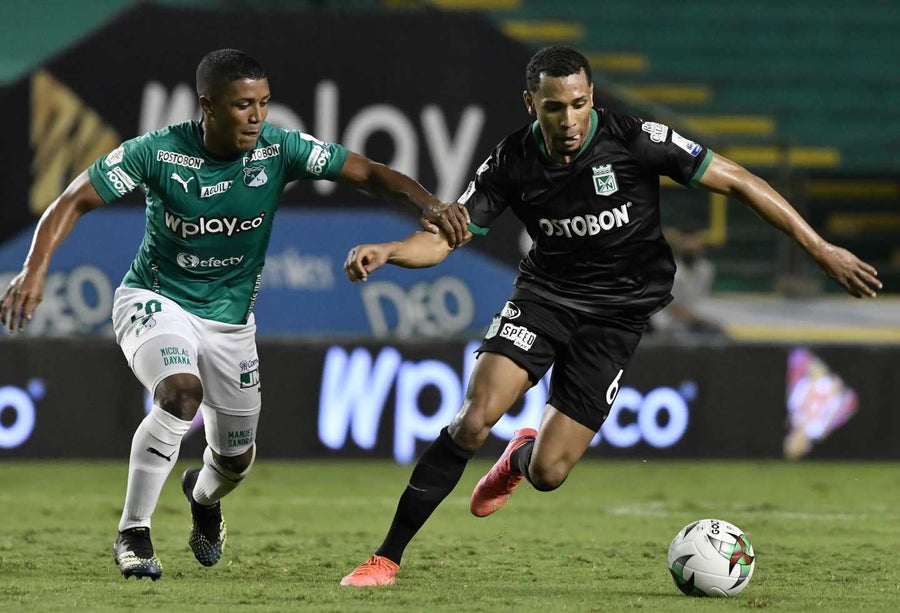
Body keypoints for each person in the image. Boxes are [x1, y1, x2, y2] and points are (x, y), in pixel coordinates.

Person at [339, 45, 882, 586]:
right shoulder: (510, 162)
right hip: (545, 298)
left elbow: (739, 180)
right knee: (474, 418)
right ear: (531, 104)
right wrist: (390, 251)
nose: (569, 120)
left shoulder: (635, 139)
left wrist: (820, 249)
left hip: (618, 317)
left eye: (578, 104)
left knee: (550, 472)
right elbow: (441, 241)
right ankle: (386, 558)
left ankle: (519, 458)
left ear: (592, 96)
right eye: (554, 107)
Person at [0, 48, 469, 581]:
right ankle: (134, 532)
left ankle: (201, 497)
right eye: (243, 105)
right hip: (156, 299)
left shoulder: (280, 149)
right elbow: (72, 200)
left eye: (264, 103)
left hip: (231, 325)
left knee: (234, 463)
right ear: (208, 105)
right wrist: (34, 269)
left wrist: (429, 204)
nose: (256, 116)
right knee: (180, 393)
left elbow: (368, 173)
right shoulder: (156, 152)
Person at [648, 228, 725, 340]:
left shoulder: (706, 269)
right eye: (687, 250)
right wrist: (698, 321)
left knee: (719, 333)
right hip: (668, 322)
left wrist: (702, 320)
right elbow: (674, 309)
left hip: (692, 319)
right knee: (686, 339)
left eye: (693, 249)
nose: (690, 252)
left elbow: (700, 299)